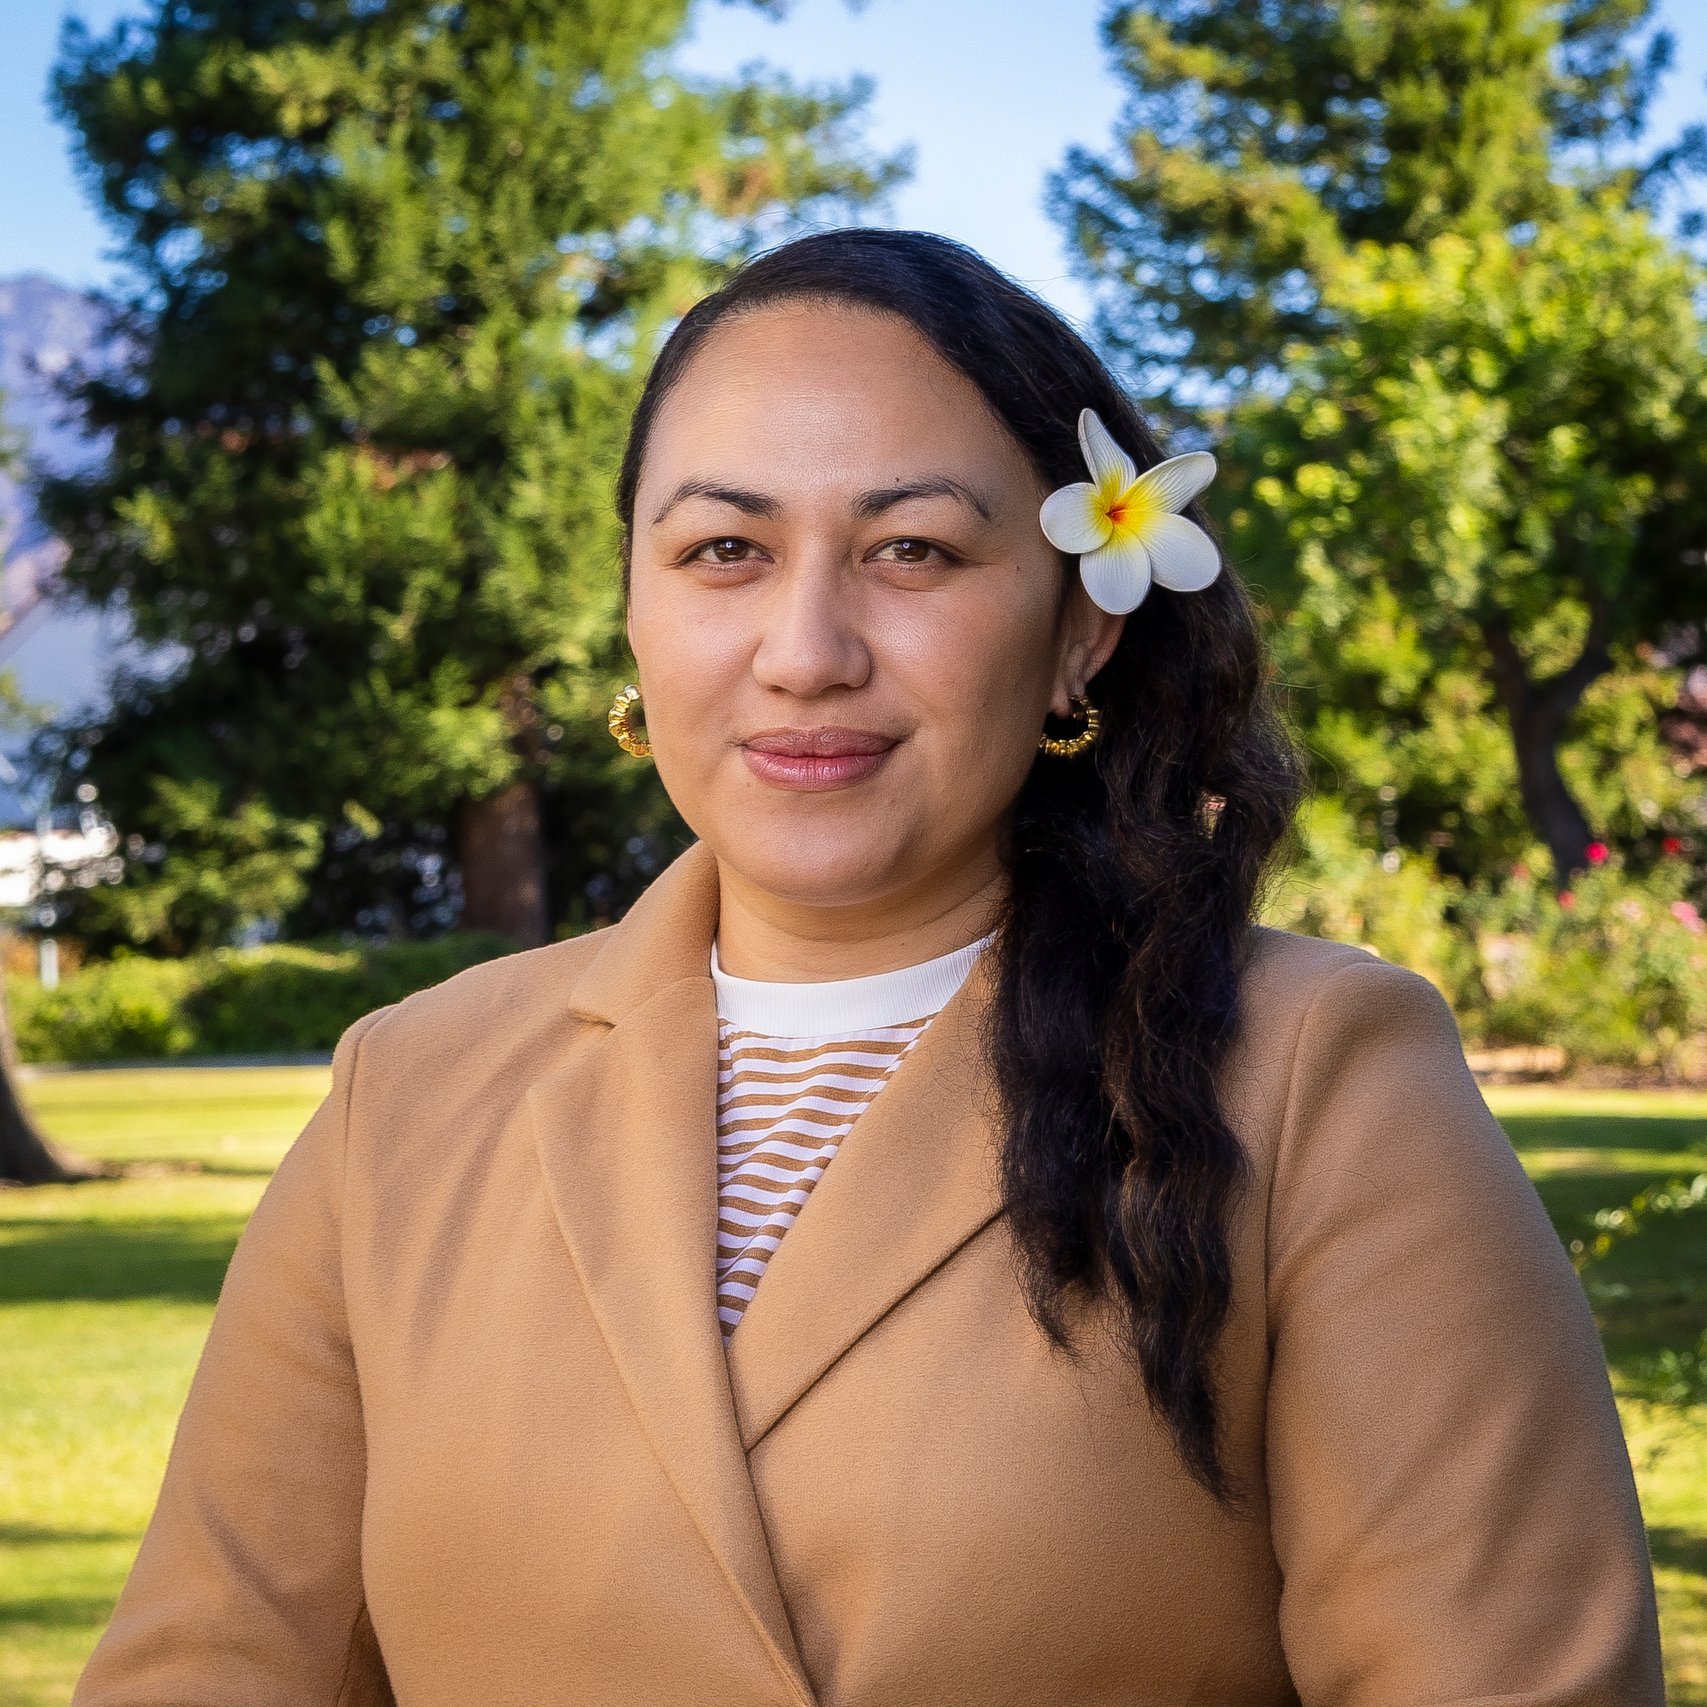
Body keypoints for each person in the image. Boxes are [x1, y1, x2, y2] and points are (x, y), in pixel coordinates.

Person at [73, 229, 1665, 1707]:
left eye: (911, 549)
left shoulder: (1317, 1077)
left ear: (1077, 632)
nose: (808, 647)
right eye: (721, 552)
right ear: (634, 610)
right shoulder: (404, 1099)